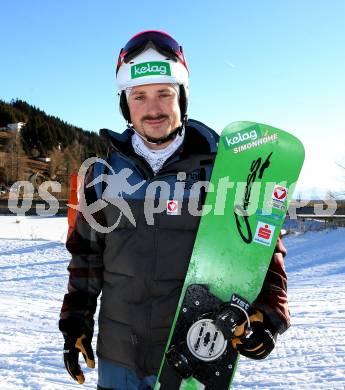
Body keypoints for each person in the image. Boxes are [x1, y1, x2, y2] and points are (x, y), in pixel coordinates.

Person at [59, 30, 290, 390]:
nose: (153, 109)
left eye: (164, 94)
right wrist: (76, 323)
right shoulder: (101, 175)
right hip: (117, 359)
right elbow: (86, 259)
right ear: (125, 103)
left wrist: (269, 315)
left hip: (194, 357)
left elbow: (261, 247)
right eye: (140, 96)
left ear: (182, 96)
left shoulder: (224, 170)